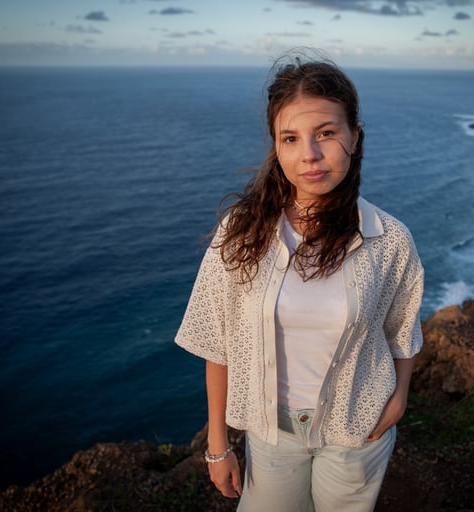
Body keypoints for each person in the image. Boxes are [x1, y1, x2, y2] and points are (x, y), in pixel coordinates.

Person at [175, 51, 424, 512]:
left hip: (357, 431)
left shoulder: (390, 240)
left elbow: (402, 330)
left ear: (355, 136)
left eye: (326, 133)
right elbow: (218, 342)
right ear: (277, 146)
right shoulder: (242, 233)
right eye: (291, 138)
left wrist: (400, 398)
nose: (308, 154)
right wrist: (218, 444)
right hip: (271, 434)